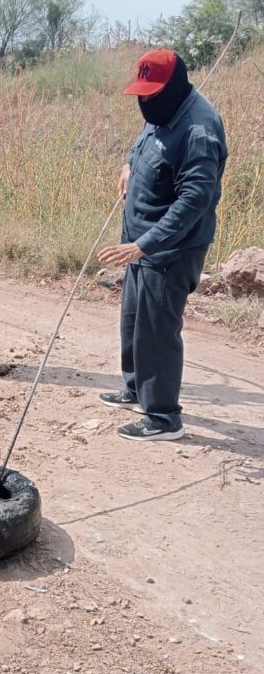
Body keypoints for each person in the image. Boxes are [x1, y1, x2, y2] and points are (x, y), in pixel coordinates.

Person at [98, 47, 227, 442]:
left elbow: (195, 201)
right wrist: (127, 164)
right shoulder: (164, 111)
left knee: (157, 329)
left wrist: (145, 245)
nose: (145, 101)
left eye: (152, 94)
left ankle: (163, 417)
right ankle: (136, 388)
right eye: (141, 94)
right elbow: (146, 141)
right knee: (134, 320)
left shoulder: (199, 130)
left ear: (173, 87)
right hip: (140, 241)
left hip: (171, 248)